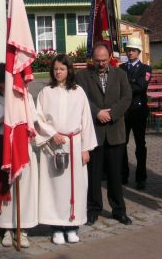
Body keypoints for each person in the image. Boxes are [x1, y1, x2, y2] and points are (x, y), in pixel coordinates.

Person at [35, 54, 97, 244]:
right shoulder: (46, 92)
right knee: (55, 186)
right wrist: (52, 134)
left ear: (69, 70)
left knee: (76, 186)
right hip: (54, 145)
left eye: (61, 69)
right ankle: (56, 227)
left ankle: (72, 225)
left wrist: (86, 148)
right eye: (55, 69)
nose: (58, 72)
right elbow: (38, 118)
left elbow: (86, 121)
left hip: (74, 143)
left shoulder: (78, 92)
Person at [0, 63, 38, 248]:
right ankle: (7, 228)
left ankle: (23, 229)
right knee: (5, 187)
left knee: (23, 188)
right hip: (1, 147)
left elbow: (32, 117)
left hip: (22, 147)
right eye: (1, 82)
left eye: (8, 81)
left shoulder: (25, 95)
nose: (5, 85)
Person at [77, 42, 132, 226]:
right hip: (94, 132)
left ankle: (119, 210)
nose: (101, 64)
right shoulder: (83, 76)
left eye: (104, 60)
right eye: (97, 60)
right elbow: (81, 98)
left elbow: (126, 98)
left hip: (115, 132)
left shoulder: (120, 75)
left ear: (110, 58)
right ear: (92, 59)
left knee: (115, 175)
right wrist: (97, 112)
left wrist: (112, 113)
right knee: (94, 175)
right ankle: (93, 209)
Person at [119, 37, 151, 190]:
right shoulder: (121, 68)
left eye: (133, 50)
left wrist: (127, 85)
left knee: (140, 145)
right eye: (128, 50)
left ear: (138, 52)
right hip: (124, 111)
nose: (130, 52)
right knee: (121, 143)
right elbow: (118, 86)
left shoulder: (146, 69)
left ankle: (141, 177)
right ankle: (123, 174)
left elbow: (140, 86)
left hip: (139, 111)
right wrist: (131, 82)